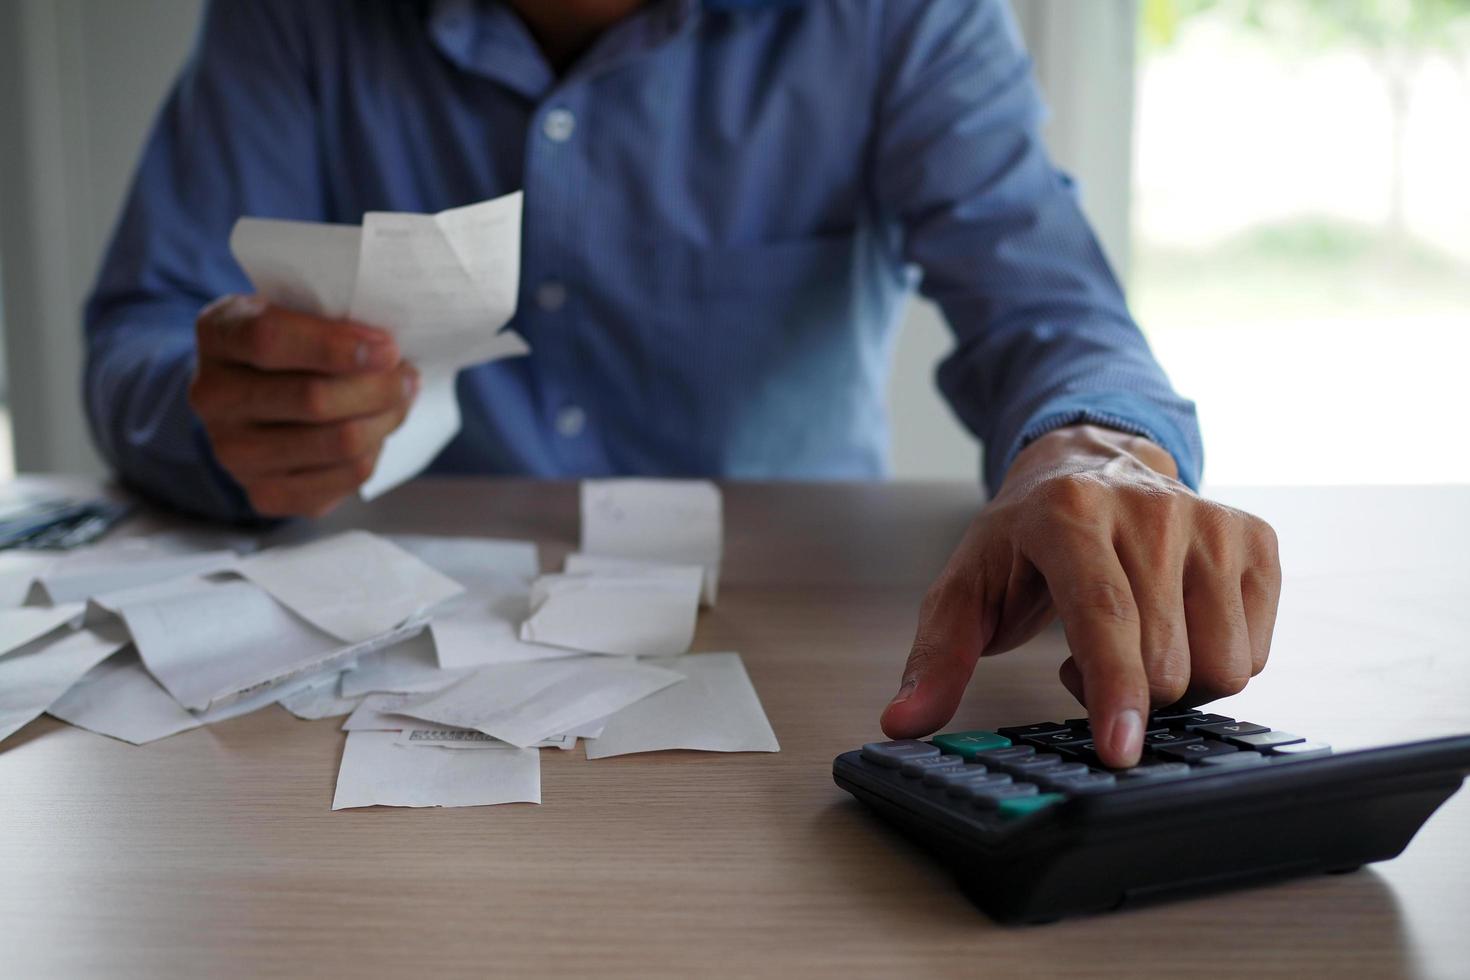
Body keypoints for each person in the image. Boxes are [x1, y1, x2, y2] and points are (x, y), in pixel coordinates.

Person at [83, 0, 1281, 769]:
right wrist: (215, 413)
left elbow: (1051, 307)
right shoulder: (292, 22)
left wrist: (1094, 447)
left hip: (795, 661)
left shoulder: (900, 18)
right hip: (374, 668)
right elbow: (137, 333)